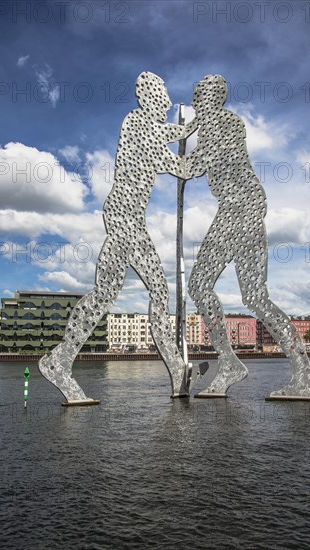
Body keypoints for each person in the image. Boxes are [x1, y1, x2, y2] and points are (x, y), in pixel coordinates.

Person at [39, 72, 194, 402]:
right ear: (148, 97)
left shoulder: (149, 127)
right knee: (142, 292)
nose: (167, 102)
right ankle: (61, 361)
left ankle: (61, 360)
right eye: (162, 96)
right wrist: (205, 148)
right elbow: (180, 165)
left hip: (131, 219)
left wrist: (193, 127)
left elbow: (175, 132)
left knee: (116, 293)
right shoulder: (138, 123)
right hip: (125, 218)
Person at [186, 75, 310, 398]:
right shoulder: (215, 124)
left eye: (198, 98)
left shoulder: (224, 123)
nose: (194, 104)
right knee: (255, 297)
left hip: (238, 208)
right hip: (244, 207)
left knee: (199, 285)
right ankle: (304, 377)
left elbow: (194, 164)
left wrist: (156, 156)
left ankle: (231, 362)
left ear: (212, 99)